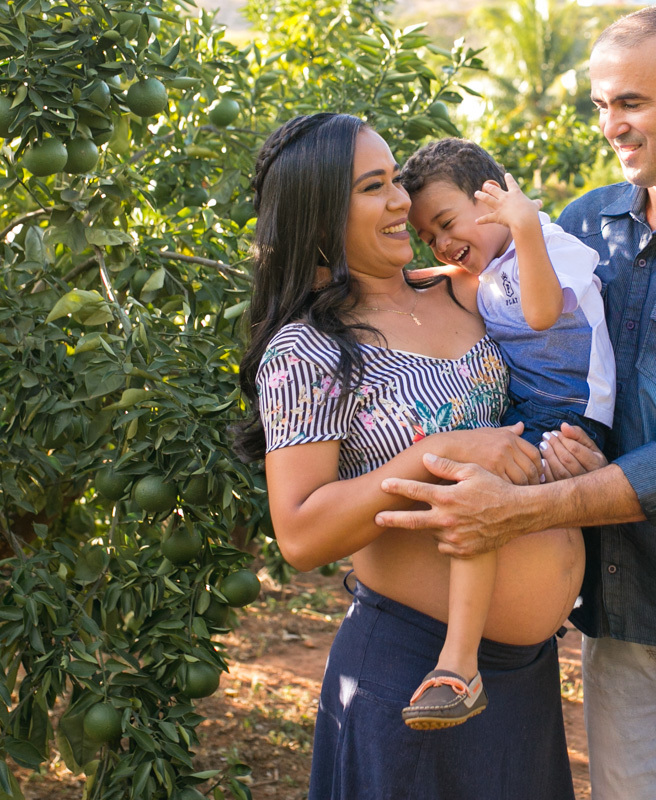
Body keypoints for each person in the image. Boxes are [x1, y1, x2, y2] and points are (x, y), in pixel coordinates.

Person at [376, 7, 656, 799]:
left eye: (632, 103)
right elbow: (549, 365)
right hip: (623, 608)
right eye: (600, 105)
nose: (612, 125)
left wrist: (534, 506)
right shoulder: (585, 226)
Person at [232, 112, 581, 799]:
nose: (400, 202)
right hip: (415, 668)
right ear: (321, 212)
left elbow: (553, 371)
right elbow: (301, 534)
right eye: (373, 187)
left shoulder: (463, 288)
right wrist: (438, 452)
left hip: (522, 671)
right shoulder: (311, 350)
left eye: (395, 180)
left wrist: (580, 454)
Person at [396, 138, 615, 728]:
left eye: (445, 224)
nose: (440, 243)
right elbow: (453, 279)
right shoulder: (488, 267)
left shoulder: (547, 246)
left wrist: (524, 228)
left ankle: (459, 665)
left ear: (493, 198)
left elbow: (542, 313)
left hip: (567, 422)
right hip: (530, 413)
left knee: (478, 494)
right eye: (427, 235)